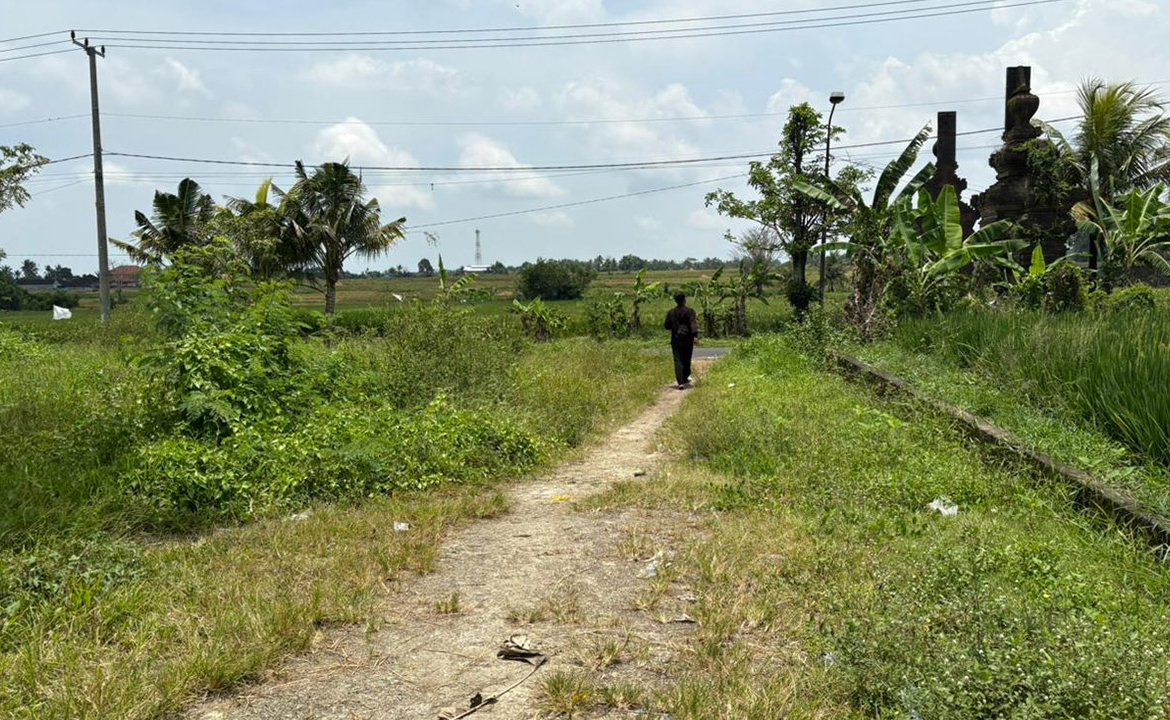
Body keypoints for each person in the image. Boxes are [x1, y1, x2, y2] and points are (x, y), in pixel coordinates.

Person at [664, 292, 699, 389]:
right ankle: (685, 377)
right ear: (684, 300)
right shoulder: (690, 311)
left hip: (676, 339)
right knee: (687, 358)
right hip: (688, 339)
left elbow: (667, 326)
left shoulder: (671, 312)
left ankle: (680, 382)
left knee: (678, 360)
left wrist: (674, 326)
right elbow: (693, 324)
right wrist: (695, 336)